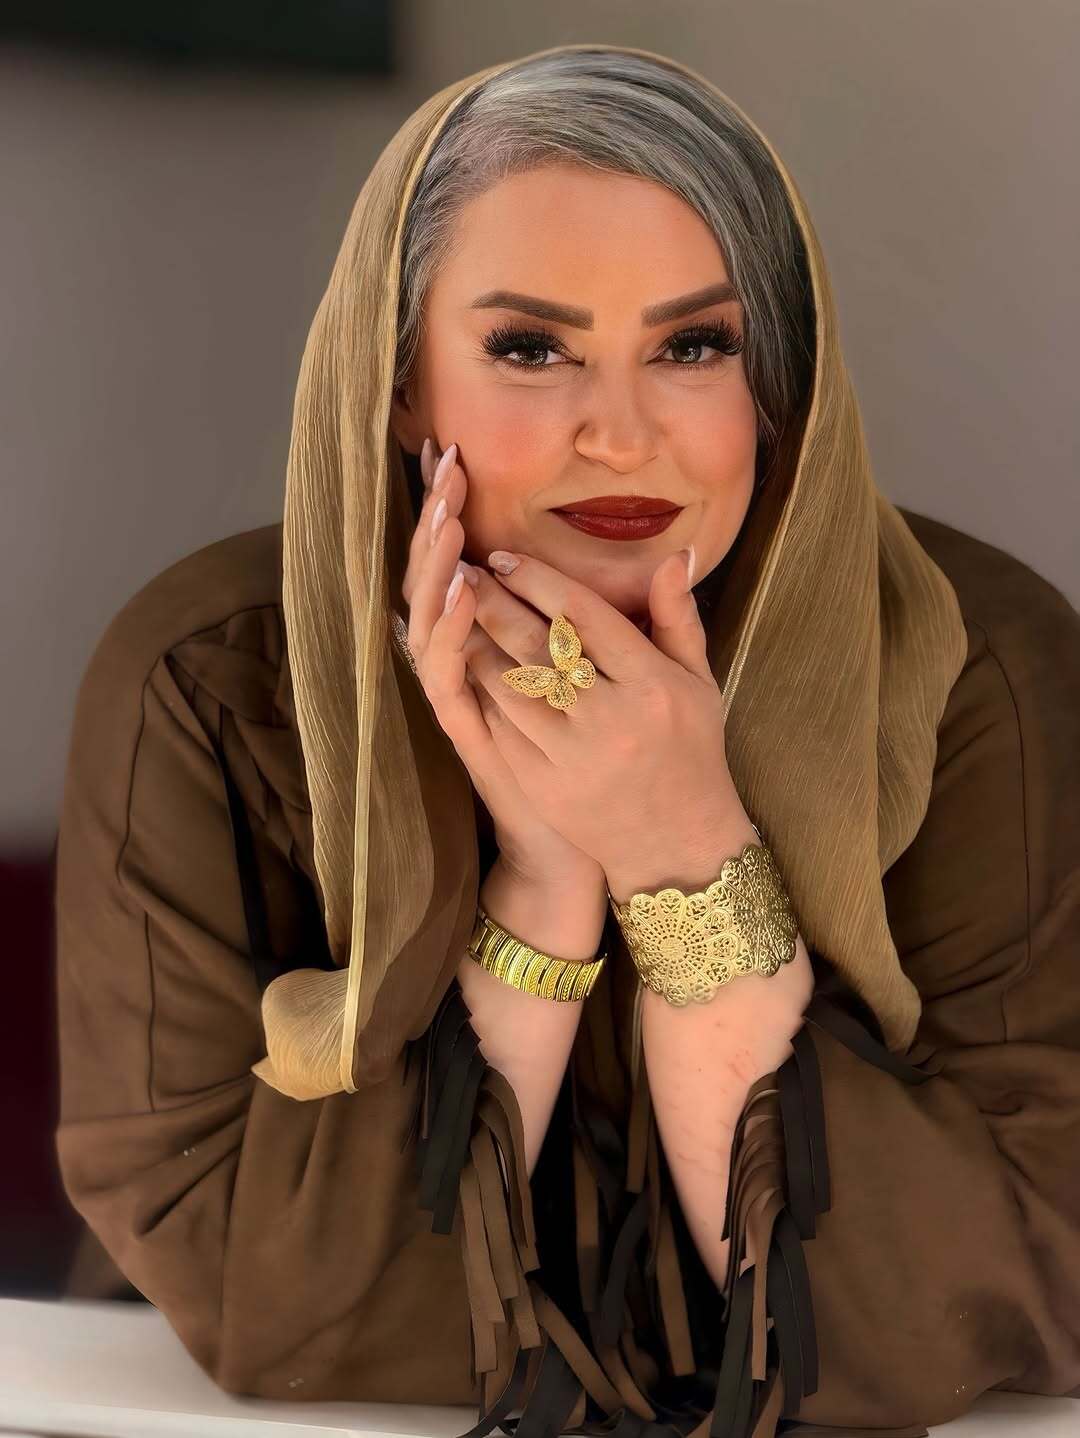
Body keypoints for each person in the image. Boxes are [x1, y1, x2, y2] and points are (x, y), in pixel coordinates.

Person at [53, 42, 1080, 1438]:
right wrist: (541, 882)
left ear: (777, 382)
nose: (620, 434)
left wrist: (688, 857)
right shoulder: (209, 684)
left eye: (692, 347)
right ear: (400, 384)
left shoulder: (974, 668)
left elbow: (1006, 1294)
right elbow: (272, 1317)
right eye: (531, 350)